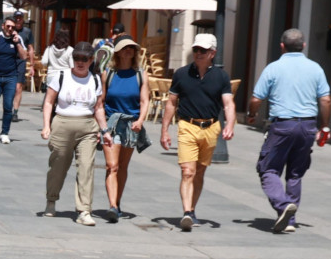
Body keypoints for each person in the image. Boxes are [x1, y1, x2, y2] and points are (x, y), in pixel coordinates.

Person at [247, 28, 331, 233]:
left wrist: (252, 114)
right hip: (307, 126)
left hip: (282, 125)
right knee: (295, 173)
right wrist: (325, 126)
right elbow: (326, 99)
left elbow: (256, 99)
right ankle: (290, 220)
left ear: (282, 46)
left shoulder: (273, 68)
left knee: (268, 169)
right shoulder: (315, 68)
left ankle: (283, 205)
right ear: (303, 46)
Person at [160, 33, 235, 232]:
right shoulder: (181, 73)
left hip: (211, 128)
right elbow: (171, 103)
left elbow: (228, 104)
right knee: (188, 171)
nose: (198, 53)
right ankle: (186, 212)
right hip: (187, 126)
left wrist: (230, 125)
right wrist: (164, 130)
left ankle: (192, 210)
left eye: (203, 50)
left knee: (200, 172)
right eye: (196, 50)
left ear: (213, 53)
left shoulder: (221, 77)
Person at [40, 42, 111, 226]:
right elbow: (48, 102)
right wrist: (46, 125)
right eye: (76, 58)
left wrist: (105, 130)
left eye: (84, 59)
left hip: (87, 126)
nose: (80, 62)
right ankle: (51, 199)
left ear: (91, 60)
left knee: (87, 167)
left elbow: (98, 107)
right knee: (58, 165)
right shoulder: (61, 76)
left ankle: (84, 210)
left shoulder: (95, 79)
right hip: (62, 123)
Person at [100, 37, 152, 222]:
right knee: (111, 166)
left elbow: (145, 101)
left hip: (131, 124)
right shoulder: (108, 73)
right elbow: (101, 101)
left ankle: (117, 202)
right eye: (125, 48)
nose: (129, 50)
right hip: (112, 123)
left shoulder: (140, 74)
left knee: (122, 166)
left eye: (132, 47)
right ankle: (112, 206)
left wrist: (140, 120)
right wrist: (101, 125)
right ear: (118, 52)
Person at [0, 17, 28, 145]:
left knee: (8, 106)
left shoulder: (17, 40)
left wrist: (17, 43)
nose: (10, 29)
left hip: (10, 77)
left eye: (12, 27)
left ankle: (4, 133)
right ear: (3, 26)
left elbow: (24, 56)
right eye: (8, 26)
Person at [12, 11, 36, 122]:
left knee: (18, 87)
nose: (18, 20)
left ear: (23, 19)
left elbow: (30, 49)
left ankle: (15, 112)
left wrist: (31, 65)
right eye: (16, 18)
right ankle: (8, 109)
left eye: (20, 18)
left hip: (21, 61)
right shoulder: (9, 30)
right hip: (9, 60)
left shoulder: (27, 32)